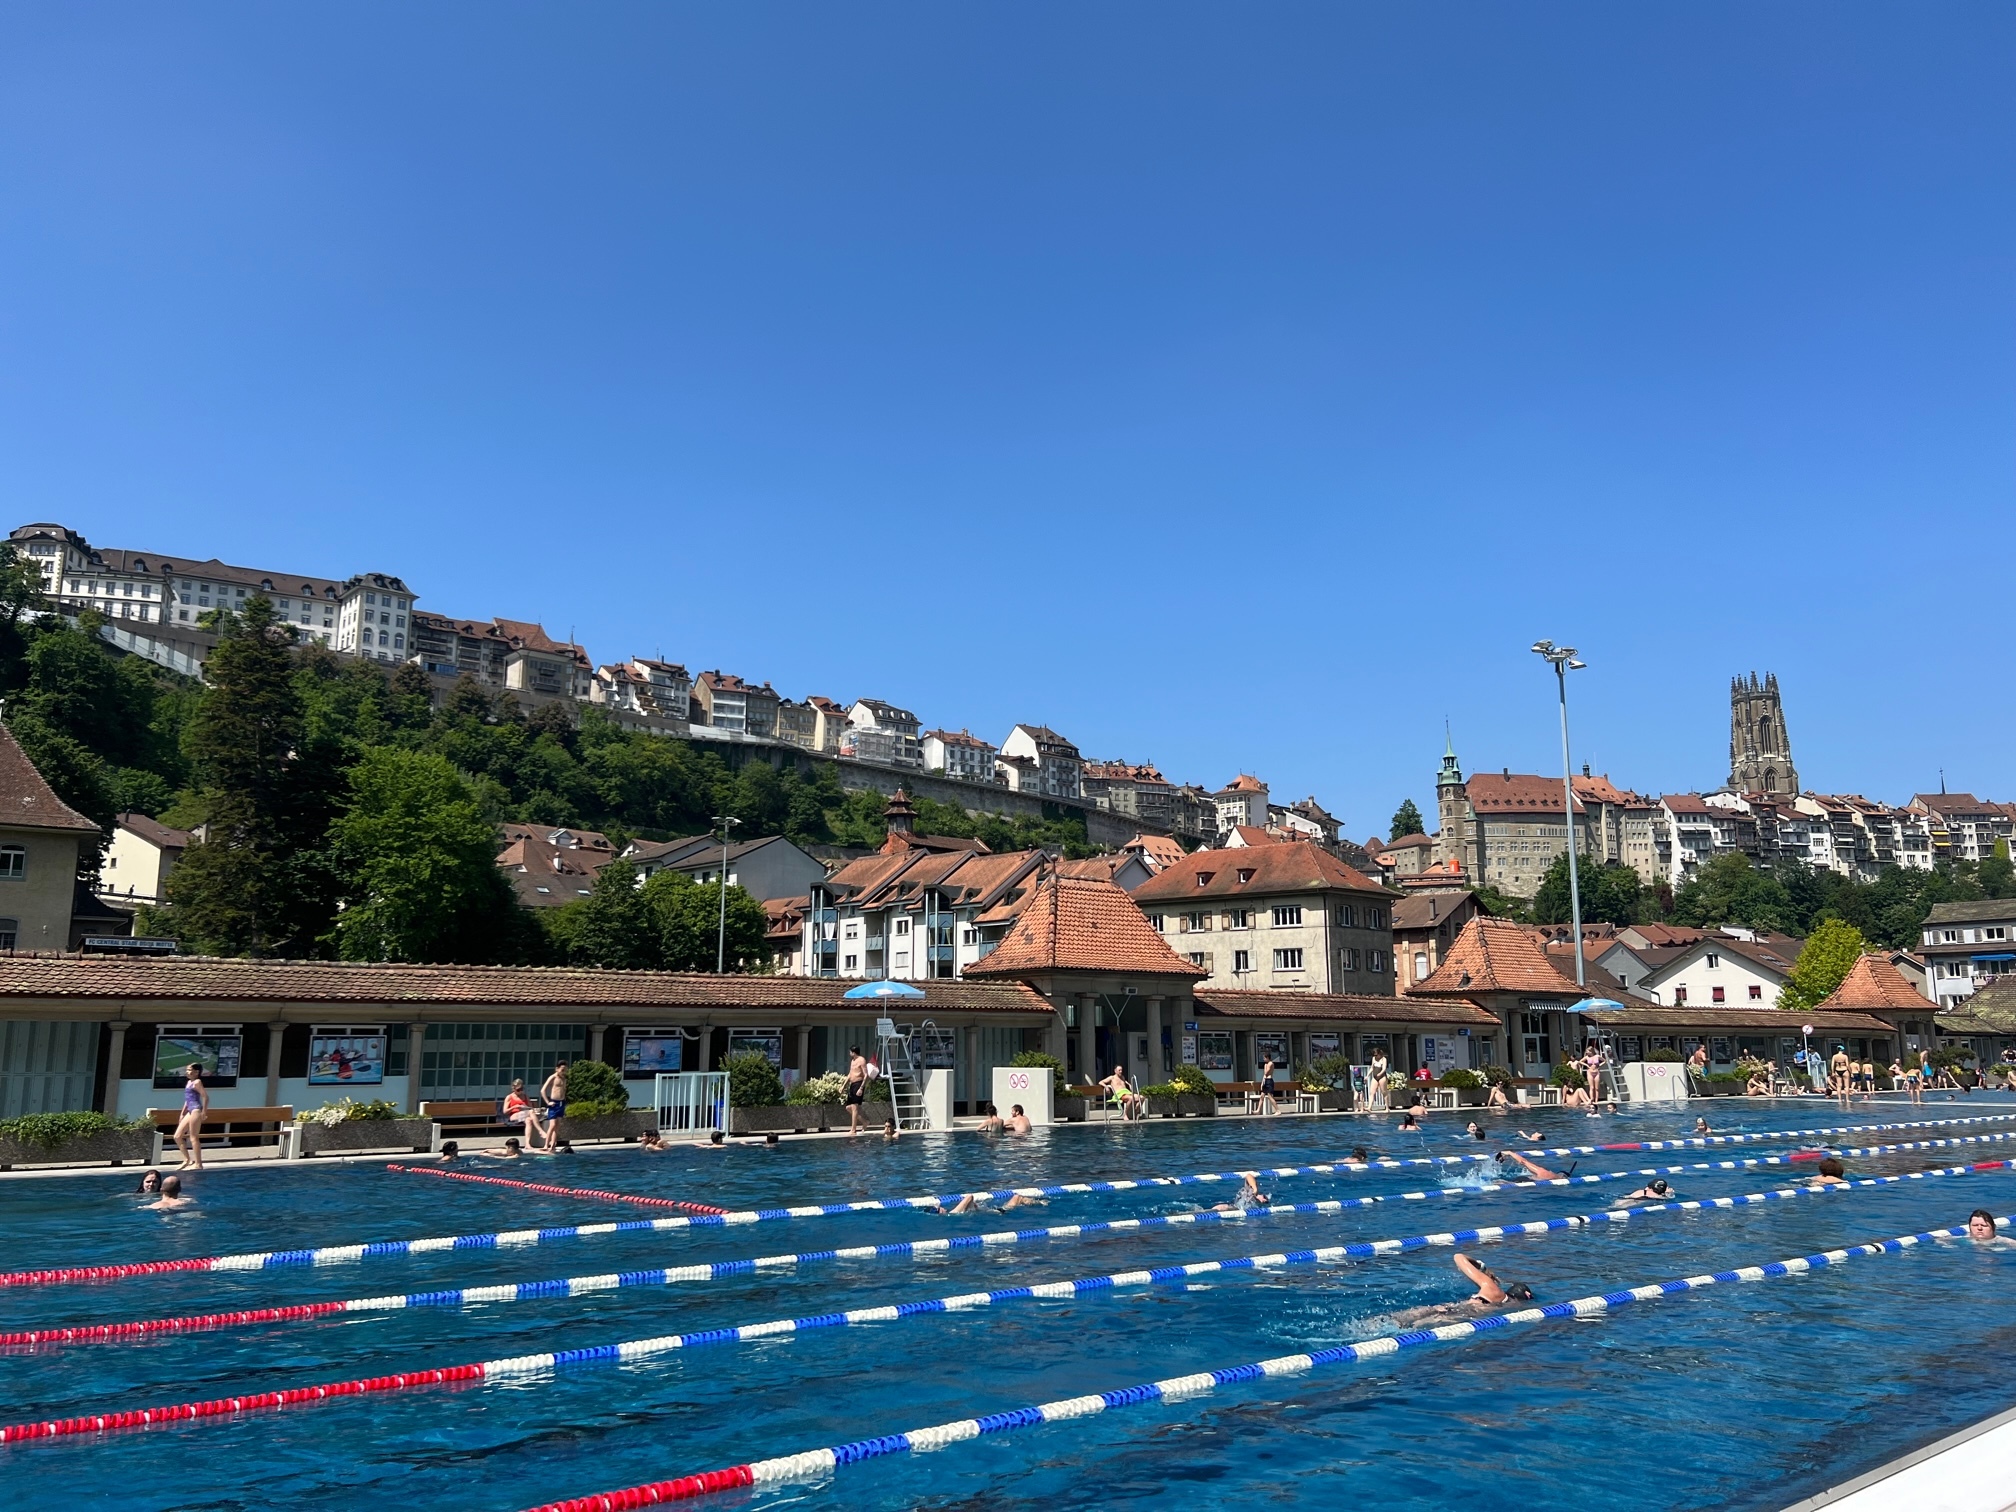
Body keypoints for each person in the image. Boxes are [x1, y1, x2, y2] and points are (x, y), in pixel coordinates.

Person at [1390, 1253, 1534, 1326]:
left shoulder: (1492, 1289)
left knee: (1392, 1320)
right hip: (1458, 1318)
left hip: (1448, 1309)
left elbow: (1458, 1256)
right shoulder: (1508, 1307)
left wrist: (1480, 1266)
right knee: (1409, 1329)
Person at [172, 1061, 209, 1171]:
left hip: (196, 1110)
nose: (187, 1072)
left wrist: (204, 1113)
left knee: (193, 1137)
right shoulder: (189, 1082)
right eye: (187, 1070)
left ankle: (198, 1164)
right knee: (177, 1136)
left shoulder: (197, 1082)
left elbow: (205, 1097)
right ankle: (187, 1159)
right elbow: (187, 1100)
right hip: (189, 1110)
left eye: (189, 1070)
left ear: (196, 1072)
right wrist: (182, 1113)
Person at [503, 1077, 549, 1152]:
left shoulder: (525, 1096)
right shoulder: (509, 1097)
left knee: (529, 1120)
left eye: (521, 1089)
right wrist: (515, 1106)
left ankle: (527, 1144)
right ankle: (540, 1131)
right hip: (514, 1115)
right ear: (513, 1089)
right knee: (530, 1112)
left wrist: (527, 1108)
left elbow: (530, 1108)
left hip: (525, 1115)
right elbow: (505, 1111)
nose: (520, 1091)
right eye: (518, 1090)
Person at [540, 1059, 569, 1148]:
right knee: (552, 1125)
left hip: (561, 1103)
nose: (563, 1072)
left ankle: (553, 1144)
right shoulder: (553, 1077)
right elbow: (542, 1090)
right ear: (557, 1069)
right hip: (554, 1104)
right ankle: (546, 1145)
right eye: (562, 1070)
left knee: (557, 1126)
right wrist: (548, 1102)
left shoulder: (564, 1079)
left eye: (565, 1070)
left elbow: (563, 1091)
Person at [1500, 1149, 1571, 1181]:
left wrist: (1510, 1153)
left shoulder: (1545, 1172)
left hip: (1523, 1180)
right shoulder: (1553, 1178)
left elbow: (1523, 1162)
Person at [844, 1046, 869, 1135]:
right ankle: (864, 1121)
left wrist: (861, 1088)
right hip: (852, 1085)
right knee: (848, 1108)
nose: (849, 1053)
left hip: (859, 1084)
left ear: (853, 1052)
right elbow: (850, 1074)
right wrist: (843, 1086)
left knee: (854, 1107)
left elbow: (866, 1075)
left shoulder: (861, 1060)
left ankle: (853, 1130)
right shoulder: (852, 1061)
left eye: (850, 1052)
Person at [1368, 1048, 1390, 1112]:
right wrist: (1367, 1075)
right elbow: (1372, 1068)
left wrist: (1380, 1074)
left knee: (1384, 1092)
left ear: (1379, 1054)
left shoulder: (1383, 1059)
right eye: (1374, 1055)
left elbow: (1384, 1069)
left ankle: (1387, 1108)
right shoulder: (1373, 1059)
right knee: (1372, 1092)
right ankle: (1369, 1107)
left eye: (1376, 1055)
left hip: (1382, 1077)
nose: (1375, 1056)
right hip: (1375, 1077)